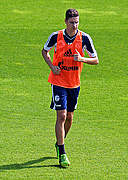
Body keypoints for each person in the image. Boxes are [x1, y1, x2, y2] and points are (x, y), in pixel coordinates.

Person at [41, 8, 99, 168]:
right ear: (66, 22)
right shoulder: (56, 36)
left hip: (74, 84)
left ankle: (60, 141)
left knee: (70, 118)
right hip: (58, 82)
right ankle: (62, 152)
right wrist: (52, 67)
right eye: (72, 22)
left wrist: (82, 58)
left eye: (77, 22)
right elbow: (44, 51)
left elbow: (96, 60)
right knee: (61, 116)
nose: (75, 25)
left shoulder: (85, 38)